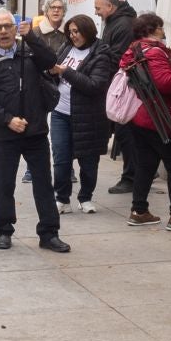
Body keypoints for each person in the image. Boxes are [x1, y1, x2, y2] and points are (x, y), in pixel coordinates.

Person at [0, 8, 71, 254]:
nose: (4, 31)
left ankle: (49, 233)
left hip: (36, 131)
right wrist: (7, 120)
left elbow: (51, 61)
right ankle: (4, 230)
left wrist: (33, 38)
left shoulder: (29, 53)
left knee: (43, 185)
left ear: (16, 28)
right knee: (3, 184)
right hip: (5, 135)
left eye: (8, 26)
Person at [117, 14, 171, 232]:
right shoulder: (155, 52)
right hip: (161, 119)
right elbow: (164, 83)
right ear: (154, 29)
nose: (163, 30)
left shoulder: (136, 49)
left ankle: (139, 211)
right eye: (161, 26)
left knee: (146, 164)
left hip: (143, 117)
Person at [54, 14, 115, 212]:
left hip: (89, 117)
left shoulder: (101, 54)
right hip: (60, 113)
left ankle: (85, 197)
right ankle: (62, 198)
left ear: (87, 31)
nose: (73, 36)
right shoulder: (65, 48)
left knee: (88, 161)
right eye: (70, 32)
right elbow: (54, 73)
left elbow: (94, 85)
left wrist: (65, 72)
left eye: (76, 31)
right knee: (61, 159)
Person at [25, 0, 72, 196]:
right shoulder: (35, 32)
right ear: (46, 10)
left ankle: (66, 168)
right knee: (37, 126)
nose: (56, 11)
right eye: (52, 7)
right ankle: (31, 168)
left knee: (65, 130)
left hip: (64, 85)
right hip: (40, 85)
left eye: (59, 7)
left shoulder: (69, 33)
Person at [93, 0, 139, 195]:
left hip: (126, 86)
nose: (96, 12)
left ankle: (132, 176)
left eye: (98, 8)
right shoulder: (117, 22)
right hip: (121, 84)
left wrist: (97, 58)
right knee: (124, 131)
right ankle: (137, 171)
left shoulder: (123, 25)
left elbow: (119, 56)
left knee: (125, 131)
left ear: (110, 7)